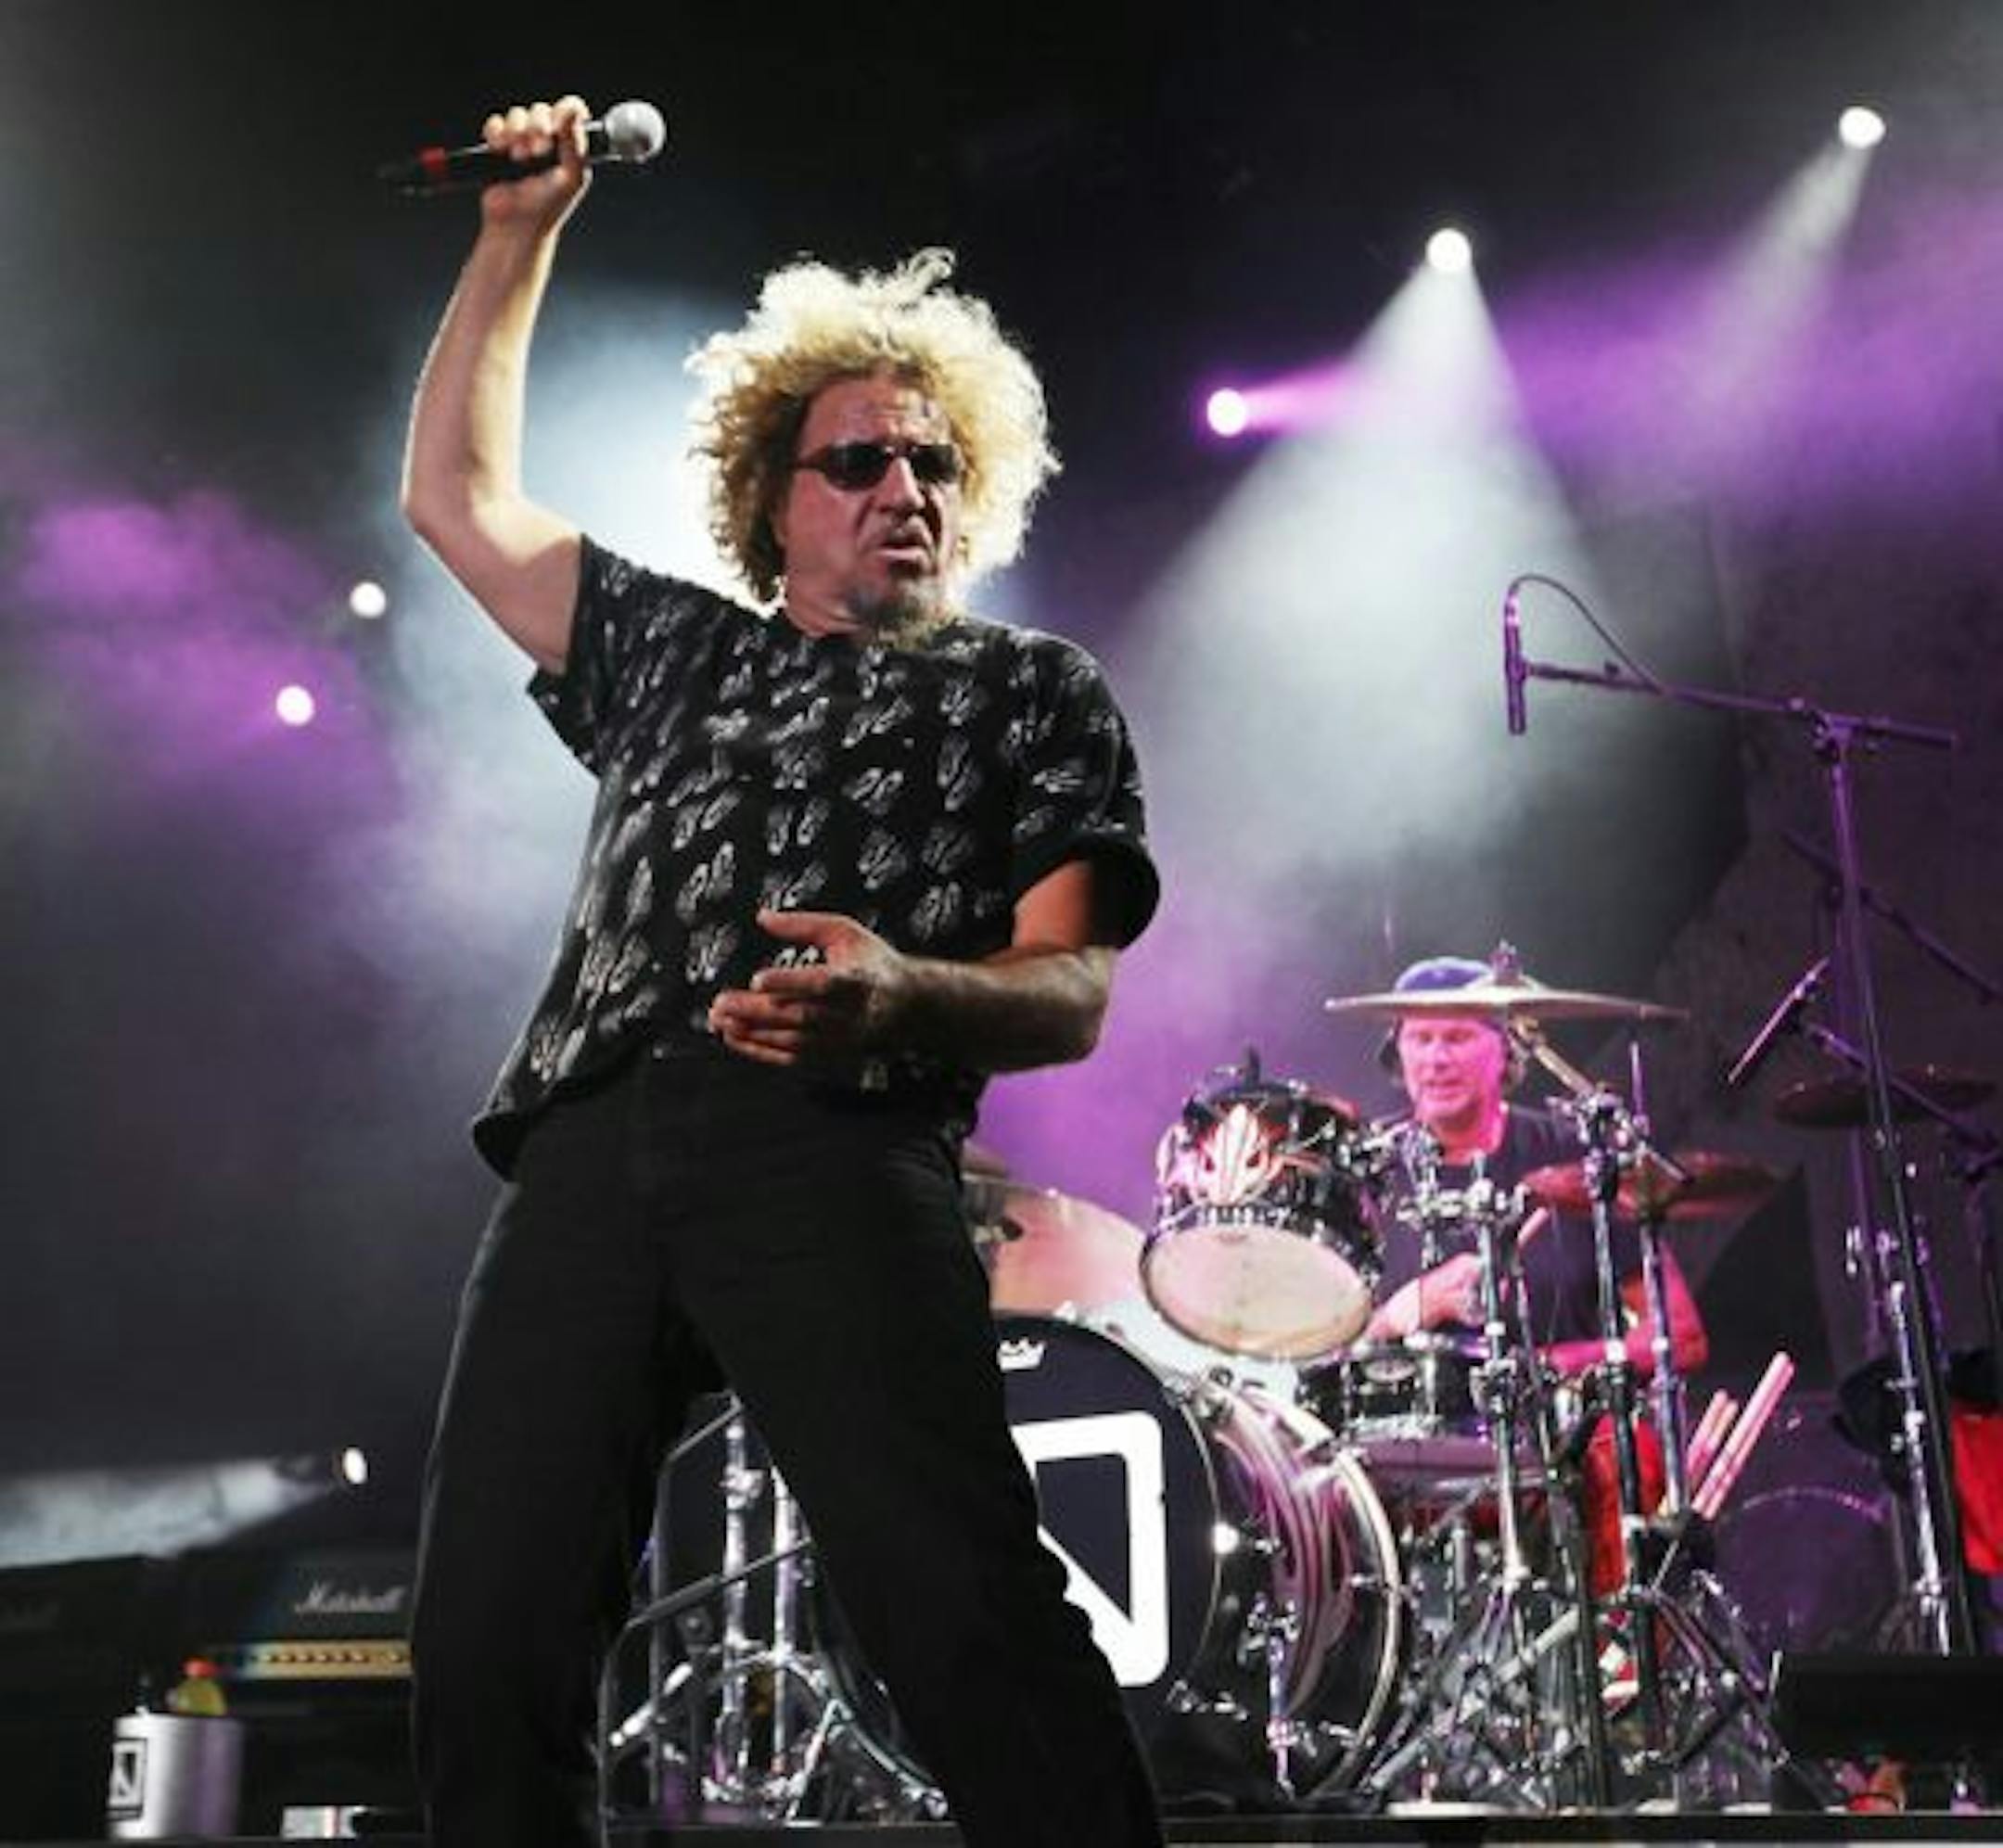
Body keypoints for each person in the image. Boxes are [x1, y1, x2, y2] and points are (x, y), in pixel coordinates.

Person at [399, 96, 1163, 1848]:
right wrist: (517, 233)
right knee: (484, 1638)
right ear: (774, 497)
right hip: (589, 1148)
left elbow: (1073, 989)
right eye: (858, 461)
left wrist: (902, 990)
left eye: (933, 464)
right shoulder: (669, 647)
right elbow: (451, 498)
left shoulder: (1027, 689)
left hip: (834, 1137)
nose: (905, 487)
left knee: (956, 1606)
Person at [1362, 954, 1708, 1382]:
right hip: (1398, 1445)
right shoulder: (1364, 1170)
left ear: (1506, 1048)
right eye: (1420, 1038)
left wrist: (1548, 1369)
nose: (1436, 1058)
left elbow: (1681, 1336)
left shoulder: (1576, 1156)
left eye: (1456, 1038)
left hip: (1560, 1439)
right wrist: (1406, 1311)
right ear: (1398, 1051)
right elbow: (1308, 1357)